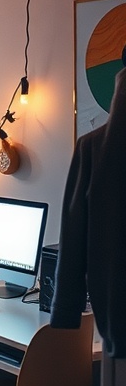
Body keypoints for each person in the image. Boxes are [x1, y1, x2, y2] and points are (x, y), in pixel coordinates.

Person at [50, 64, 126, 357]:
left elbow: (72, 238)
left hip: (114, 316)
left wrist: (66, 309)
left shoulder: (92, 148)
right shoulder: (91, 149)